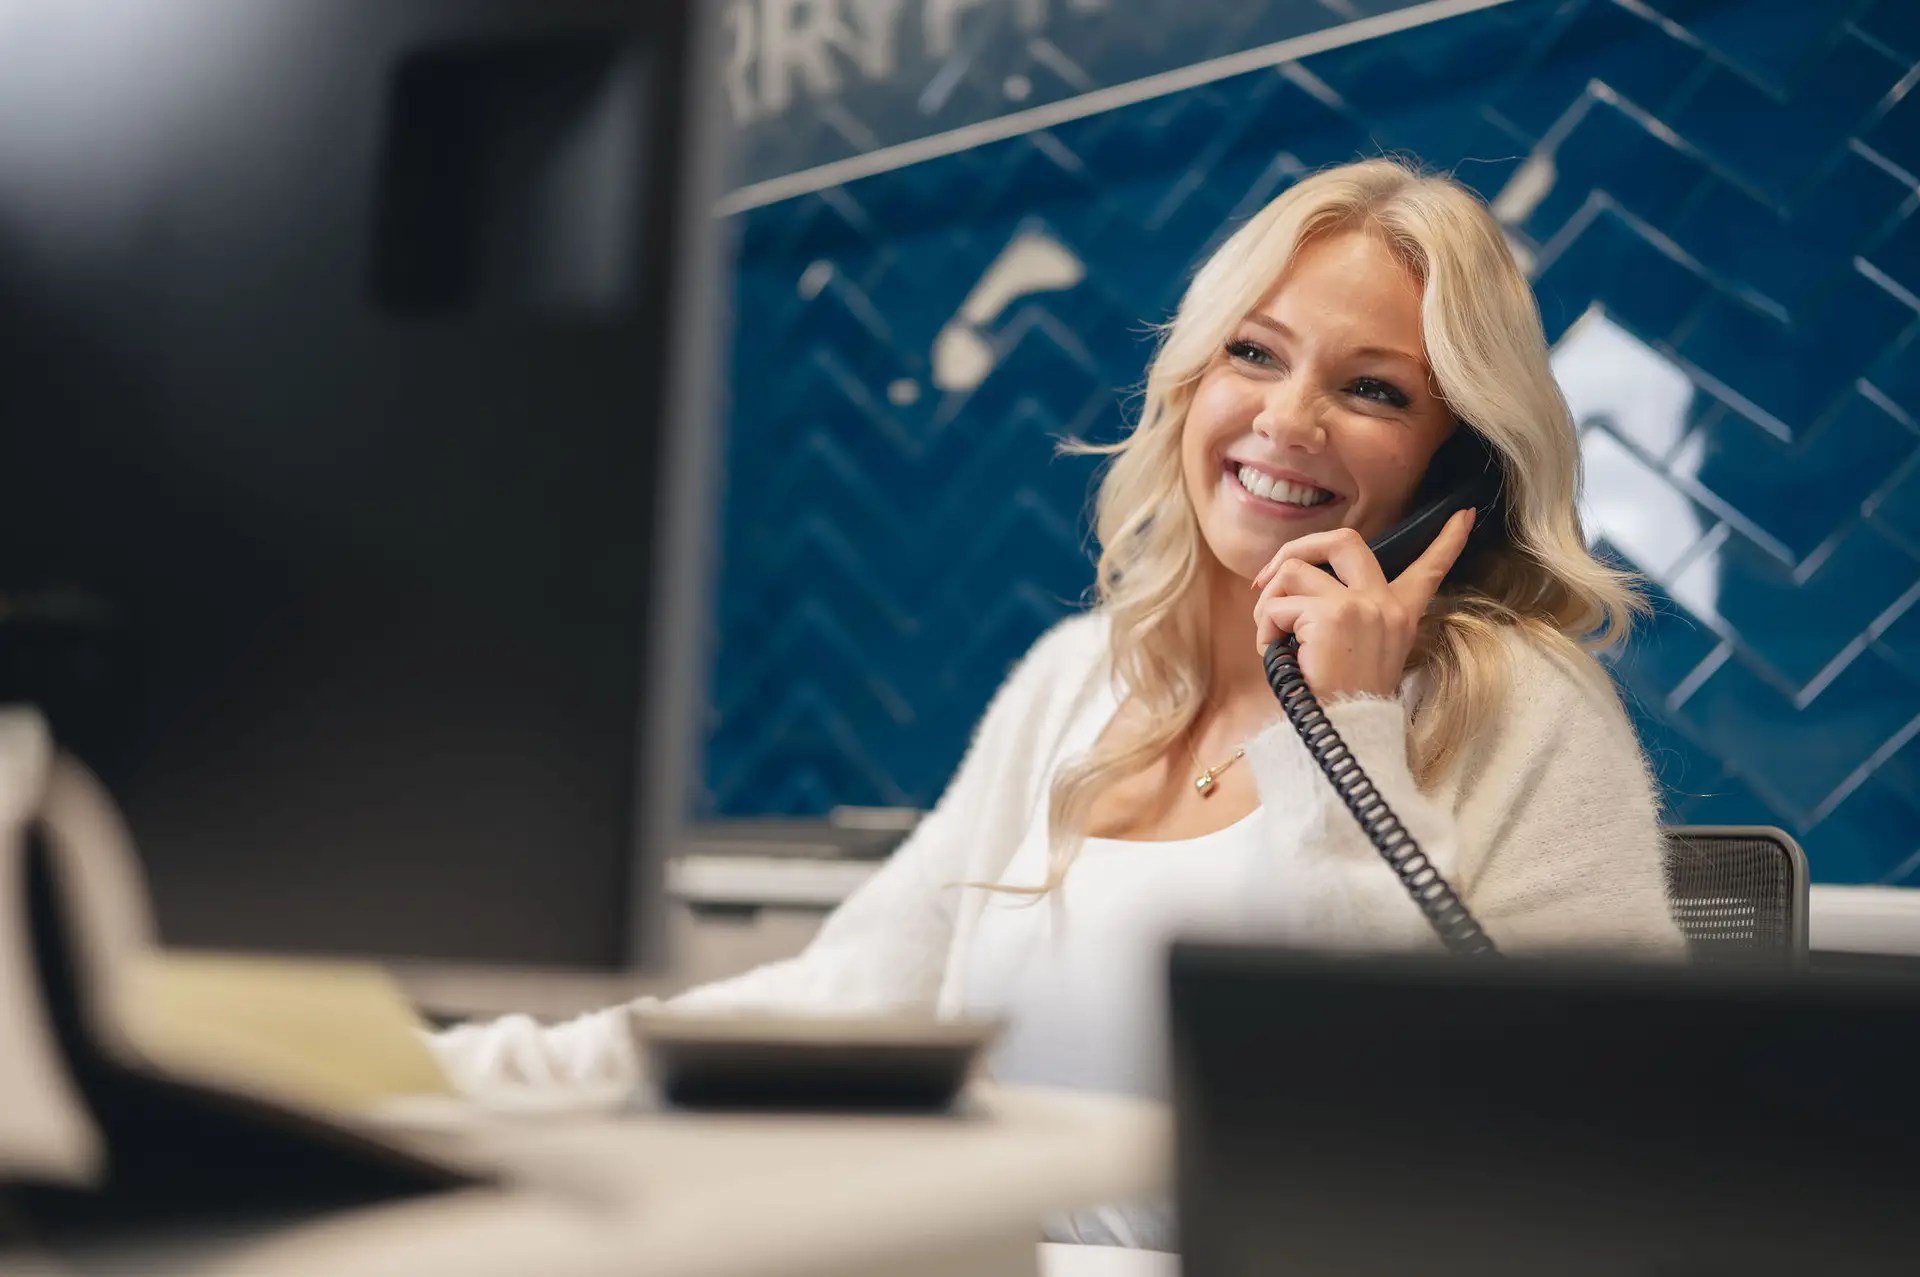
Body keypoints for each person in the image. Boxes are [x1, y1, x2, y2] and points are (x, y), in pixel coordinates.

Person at [430, 160, 1682, 1241]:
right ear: (1192, 378)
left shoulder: (1526, 708)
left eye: (1374, 390)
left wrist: (1348, 732)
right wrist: (445, 1075)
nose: (1286, 419)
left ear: (1453, 463)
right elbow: (834, 1011)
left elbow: (1553, 1141)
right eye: (1254, 352)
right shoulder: (1079, 681)